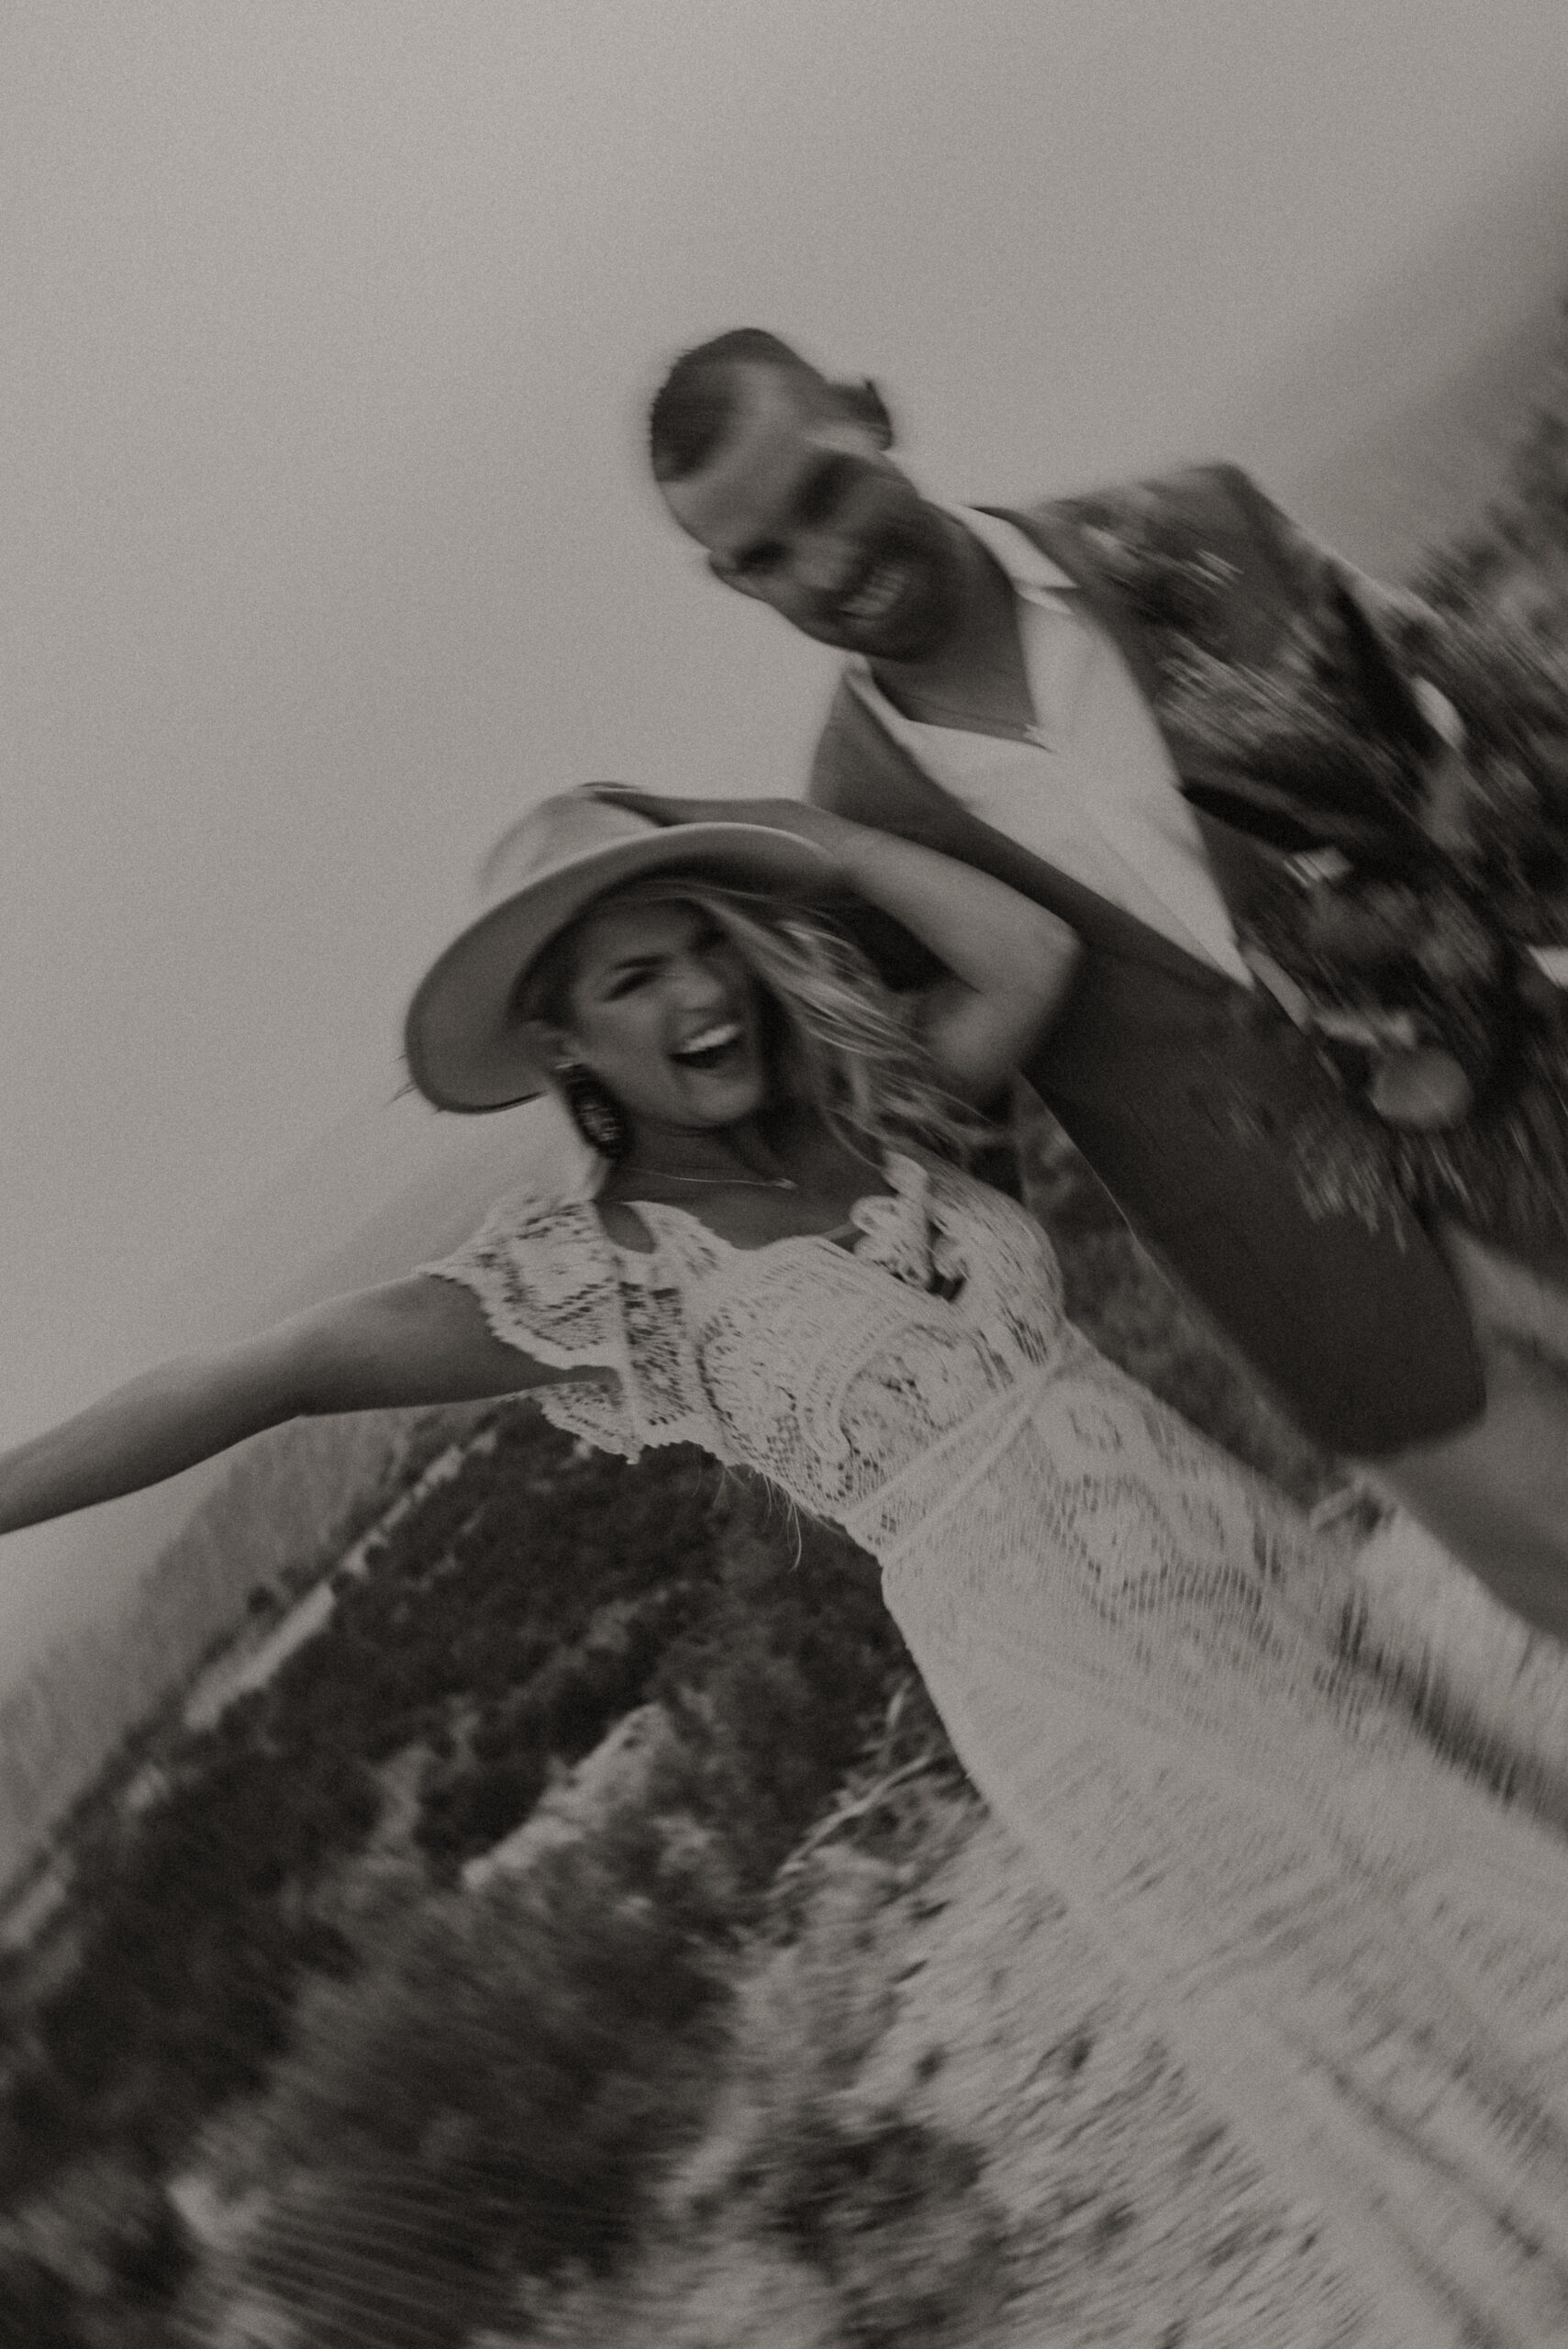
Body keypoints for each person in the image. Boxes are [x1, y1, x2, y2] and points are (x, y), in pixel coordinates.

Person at [6, 787, 1567, 2339]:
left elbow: (1025, 954)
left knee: (1475, 1842)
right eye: (633, 979)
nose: (698, 994)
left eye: (706, 945)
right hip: (1078, 1679)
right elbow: (241, 1379)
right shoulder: (604, 1275)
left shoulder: (877, 1122)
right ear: (565, 1046)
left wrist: (749, 825)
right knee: (1440, 1938)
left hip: (1243, 1563)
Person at [646, 326, 1568, 1638]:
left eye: (825, 492)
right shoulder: (856, 828)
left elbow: (1501, 731)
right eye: (764, 559)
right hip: (1348, 1317)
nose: (825, 563)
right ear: (730, 583)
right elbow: (942, 1157)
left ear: (873, 411)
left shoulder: (1197, 527)